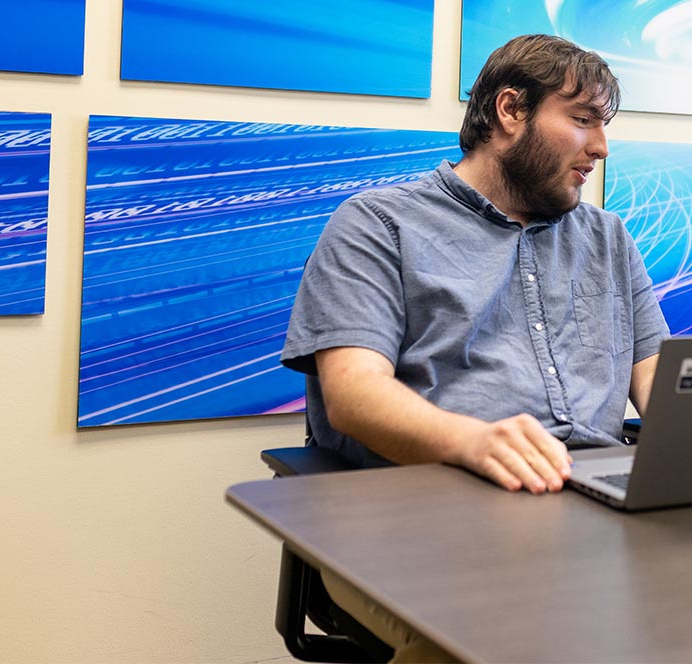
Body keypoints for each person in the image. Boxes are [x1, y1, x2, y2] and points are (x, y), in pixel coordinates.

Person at [281, 34, 669, 493]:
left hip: (595, 490)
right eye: (583, 120)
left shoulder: (608, 237)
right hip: (448, 487)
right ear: (510, 110)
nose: (602, 147)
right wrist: (474, 442)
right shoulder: (378, 224)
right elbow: (353, 396)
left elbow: (659, 382)